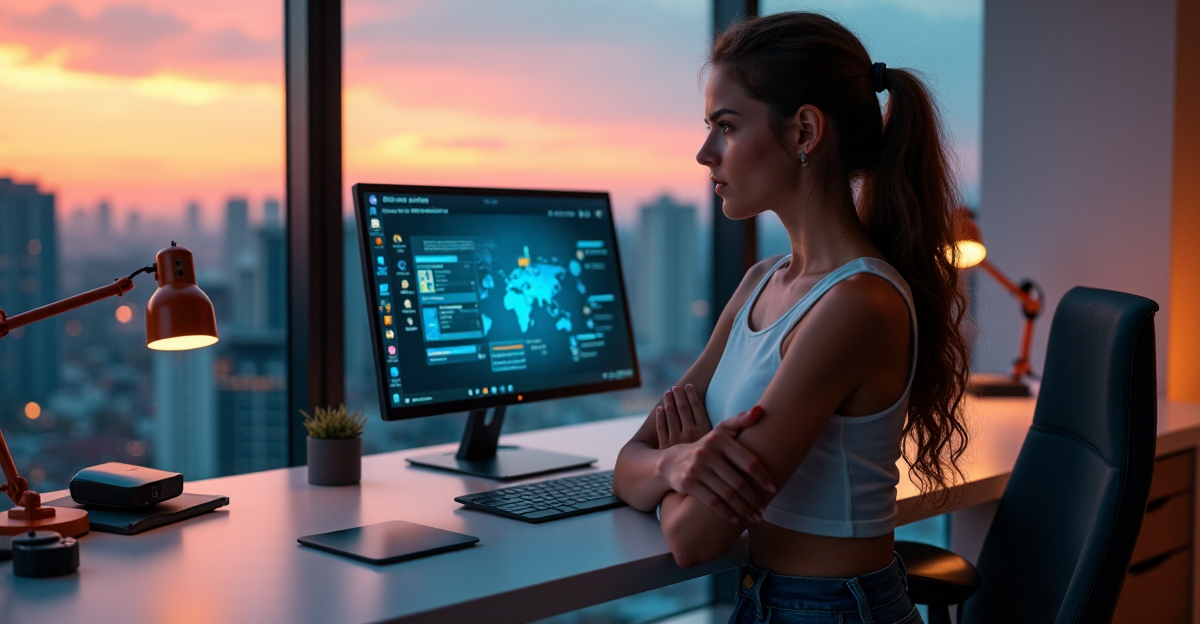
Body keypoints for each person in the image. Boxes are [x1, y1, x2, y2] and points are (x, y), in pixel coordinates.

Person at [611, 12, 971, 624]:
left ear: (804, 130)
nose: (704, 153)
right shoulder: (761, 283)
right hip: (774, 602)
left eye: (726, 126)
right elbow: (628, 462)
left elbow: (697, 537)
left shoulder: (857, 306)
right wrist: (677, 462)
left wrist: (680, 464)